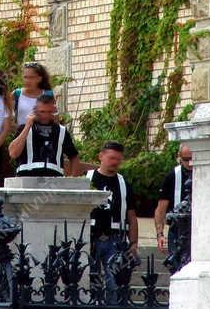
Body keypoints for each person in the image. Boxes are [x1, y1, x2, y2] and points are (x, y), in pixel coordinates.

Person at [86, 141, 139, 298]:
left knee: (114, 283)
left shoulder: (124, 184)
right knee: (88, 281)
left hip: (116, 240)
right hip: (90, 237)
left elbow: (131, 215)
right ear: (101, 156)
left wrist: (134, 242)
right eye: (111, 158)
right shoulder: (86, 179)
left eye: (118, 159)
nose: (115, 162)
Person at [8, 91, 81, 176]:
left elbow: (74, 156)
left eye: (49, 112)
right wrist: (27, 127)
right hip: (27, 178)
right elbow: (13, 153)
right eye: (42, 112)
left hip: (54, 180)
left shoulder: (61, 131)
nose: (45, 116)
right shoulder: (24, 128)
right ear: (35, 111)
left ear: (54, 111)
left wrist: (73, 180)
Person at [154, 144, 193, 253]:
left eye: (193, 159)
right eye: (186, 159)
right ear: (179, 157)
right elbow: (161, 208)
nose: (190, 163)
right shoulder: (172, 176)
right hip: (178, 229)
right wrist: (160, 234)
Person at [13, 60, 53, 126]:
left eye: (31, 77)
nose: (27, 81)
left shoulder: (48, 94)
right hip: (22, 134)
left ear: (39, 79)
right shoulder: (17, 94)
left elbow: (55, 119)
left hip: (43, 134)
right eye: (25, 77)